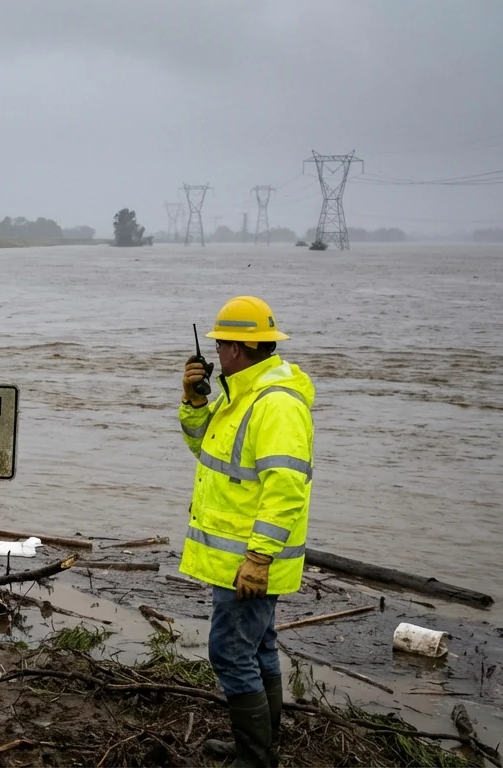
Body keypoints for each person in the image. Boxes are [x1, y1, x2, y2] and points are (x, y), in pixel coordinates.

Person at [178, 296, 315, 767]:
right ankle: (258, 746)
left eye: (219, 345)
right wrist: (196, 404)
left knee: (231, 652)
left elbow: (286, 489)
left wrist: (258, 557)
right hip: (239, 559)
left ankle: (255, 758)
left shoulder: (274, 405)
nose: (215, 353)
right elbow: (209, 454)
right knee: (258, 646)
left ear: (237, 348)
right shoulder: (243, 397)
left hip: (250, 562)